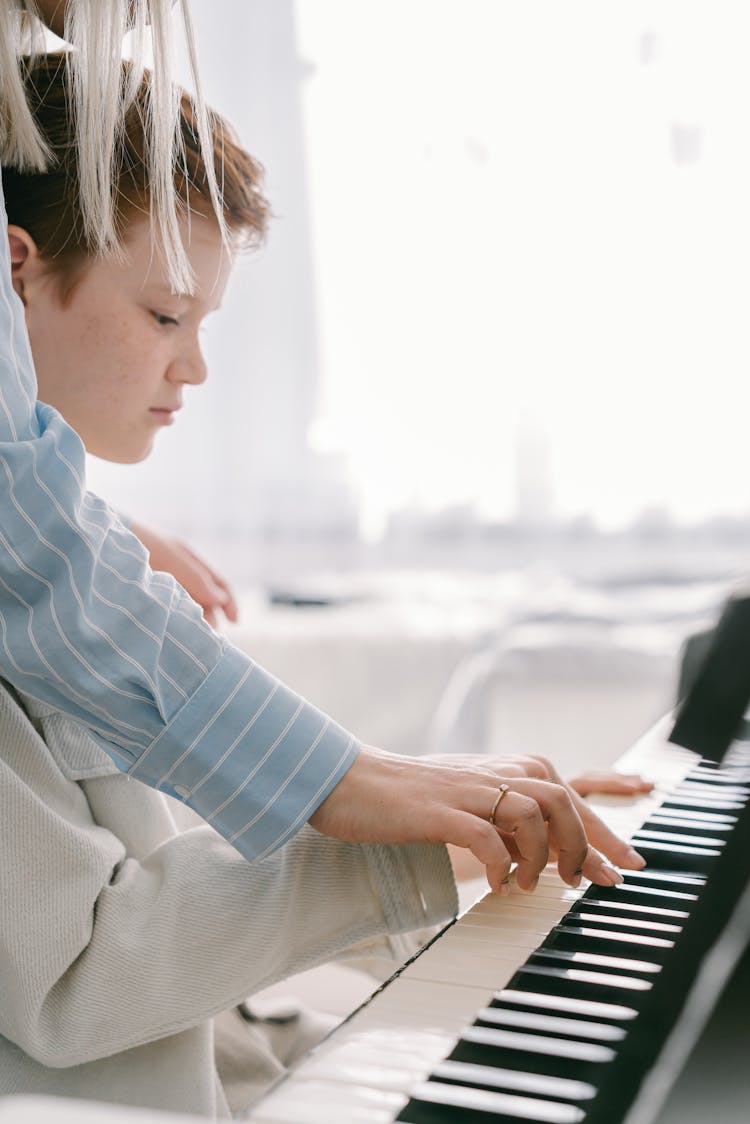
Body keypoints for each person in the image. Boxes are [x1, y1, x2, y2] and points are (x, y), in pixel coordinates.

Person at [0, 0, 644, 897]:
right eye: (164, 316)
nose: (194, 369)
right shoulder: (46, 586)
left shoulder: (82, 551)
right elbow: (92, 976)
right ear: (14, 269)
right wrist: (392, 811)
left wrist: (454, 813)